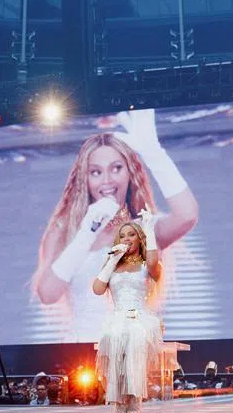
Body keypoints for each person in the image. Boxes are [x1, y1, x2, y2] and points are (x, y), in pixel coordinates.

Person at [33, 110, 198, 342]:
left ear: (130, 173)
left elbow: (187, 215)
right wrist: (86, 233)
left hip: (136, 354)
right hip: (82, 361)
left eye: (116, 168)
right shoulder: (65, 231)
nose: (107, 180)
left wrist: (154, 153)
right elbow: (48, 293)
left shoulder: (144, 228)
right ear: (85, 179)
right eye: (96, 172)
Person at [93, 211, 163, 413]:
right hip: (118, 316)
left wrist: (149, 229)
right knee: (112, 337)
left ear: (139, 238)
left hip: (139, 315)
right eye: (122, 236)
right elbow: (97, 288)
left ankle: (134, 398)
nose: (126, 239)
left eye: (131, 235)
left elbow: (152, 263)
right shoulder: (113, 266)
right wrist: (112, 261)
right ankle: (118, 399)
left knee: (134, 336)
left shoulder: (145, 265)